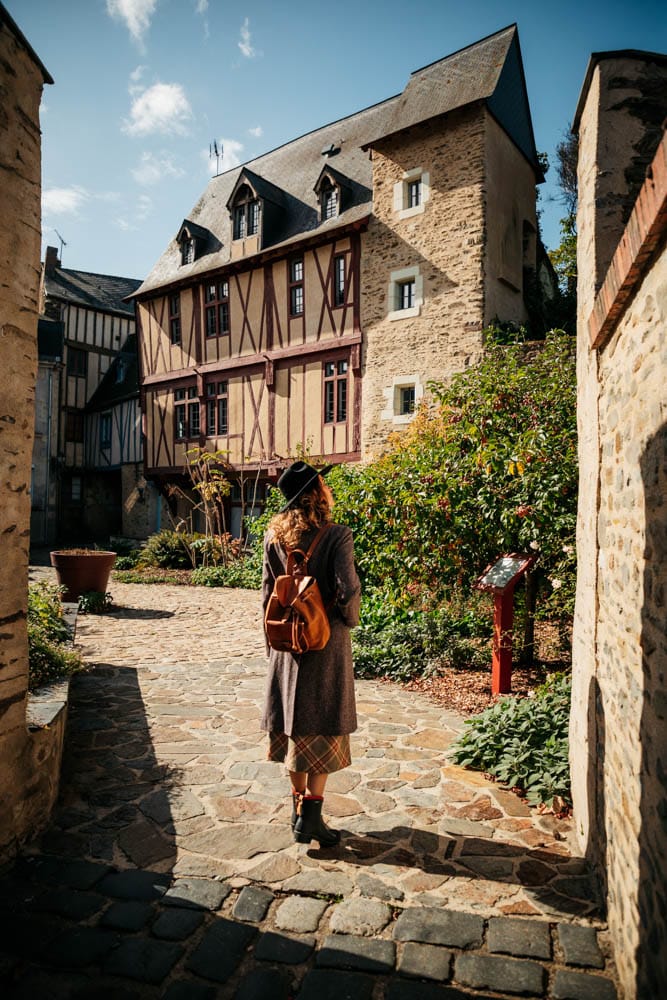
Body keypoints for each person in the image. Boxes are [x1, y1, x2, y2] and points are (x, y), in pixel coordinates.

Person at [261, 461, 361, 847]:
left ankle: (297, 809)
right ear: (317, 491)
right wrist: (347, 621)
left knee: (294, 724)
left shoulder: (274, 537)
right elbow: (348, 589)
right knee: (322, 726)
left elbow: (269, 592)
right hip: (325, 644)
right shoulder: (337, 535)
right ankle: (312, 819)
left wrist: (272, 644)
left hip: (286, 644)